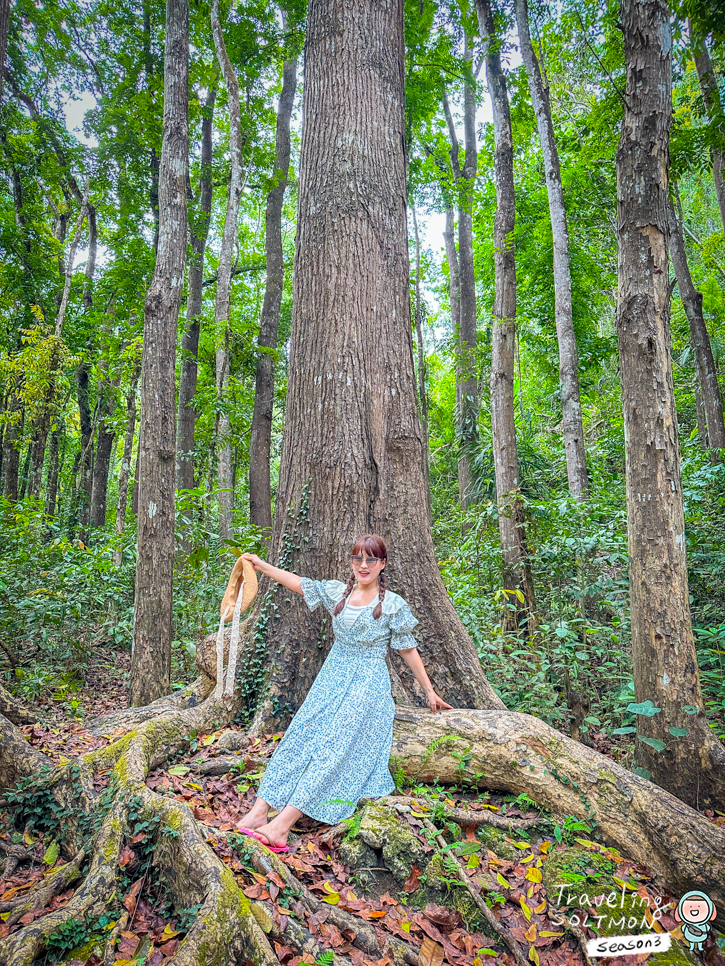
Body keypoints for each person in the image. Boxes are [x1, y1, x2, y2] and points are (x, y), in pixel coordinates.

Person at [236, 534, 452, 853]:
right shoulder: (339, 591)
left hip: (368, 685)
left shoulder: (392, 605)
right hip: (332, 676)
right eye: (357, 559)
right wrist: (262, 566)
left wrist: (430, 691)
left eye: (371, 560)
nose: (363, 566)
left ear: (382, 564)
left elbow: (408, 649)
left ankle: (282, 827)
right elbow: (300, 583)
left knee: (334, 748)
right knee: (300, 735)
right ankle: (259, 812)